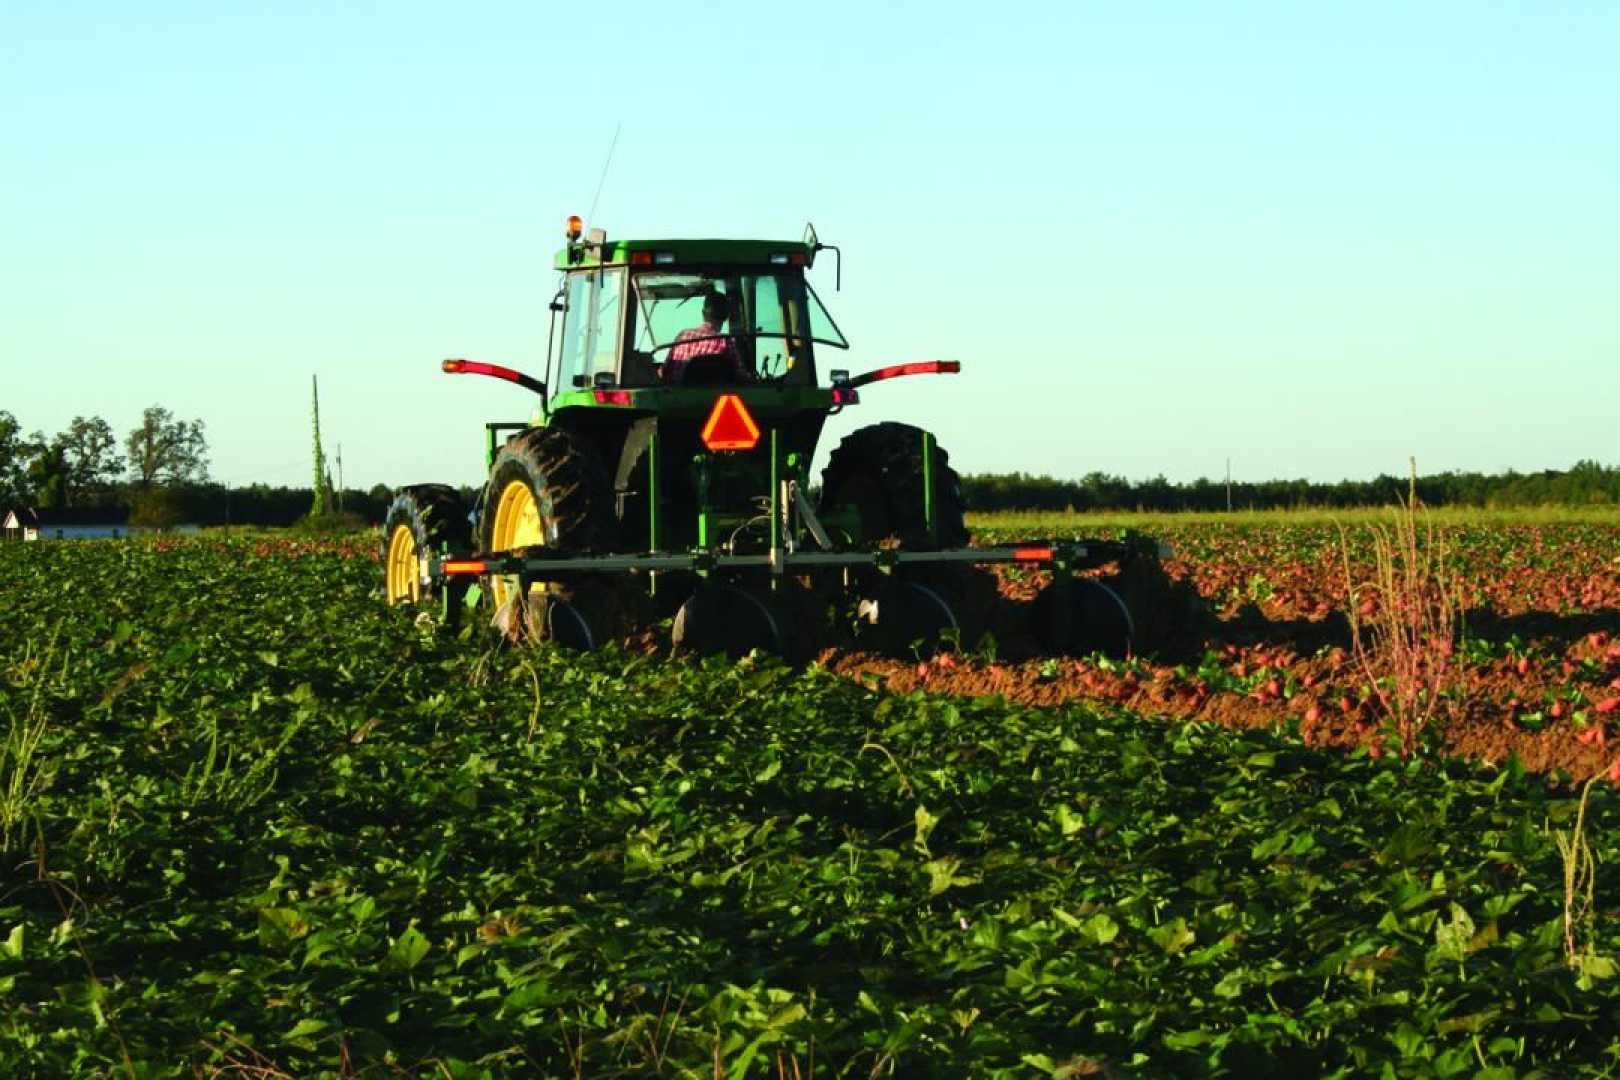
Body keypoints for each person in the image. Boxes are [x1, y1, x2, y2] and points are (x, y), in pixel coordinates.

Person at [662, 292, 749, 384]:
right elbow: (741, 377)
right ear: (726, 316)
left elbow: (665, 371)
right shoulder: (725, 342)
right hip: (713, 395)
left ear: (703, 313)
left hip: (677, 395)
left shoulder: (682, 336)